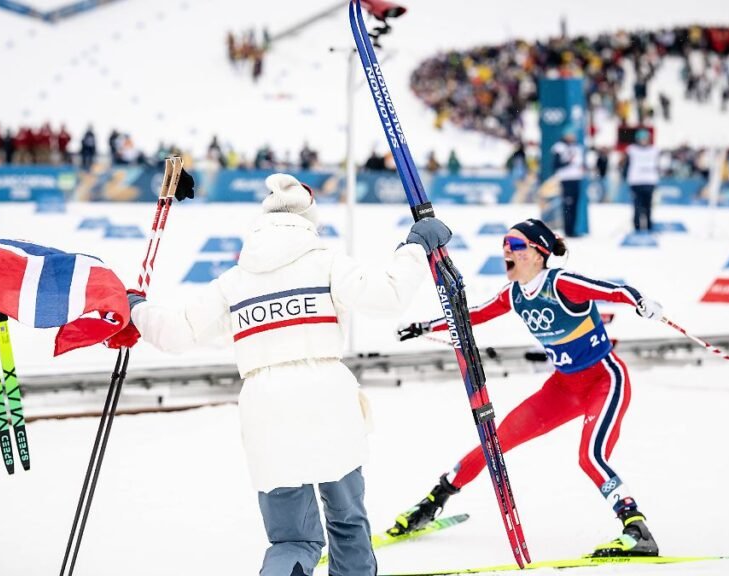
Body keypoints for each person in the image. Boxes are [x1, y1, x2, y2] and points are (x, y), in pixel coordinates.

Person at [125, 173, 451, 576]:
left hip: (265, 408)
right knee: (347, 522)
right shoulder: (326, 262)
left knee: (291, 539)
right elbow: (388, 297)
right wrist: (414, 248)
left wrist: (136, 306)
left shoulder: (234, 281)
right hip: (328, 400)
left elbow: (175, 334)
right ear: (308, 219)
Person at [390, 218, 664, 558]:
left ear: (539, 253)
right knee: (495, 443)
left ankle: (636, 528)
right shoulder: (515, 294)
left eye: (517, 245)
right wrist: (423, 326)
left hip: (603, 380)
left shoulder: (560, 283)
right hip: (562, 388)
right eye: (505, 243)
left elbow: (611, 290)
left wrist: (640, 302)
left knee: (590, 456)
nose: (508, 249)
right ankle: (433, 502)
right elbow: (470, 315)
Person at [550, 131, 585, 237]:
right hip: (566, 180)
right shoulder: (559, 147)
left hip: (576, 179)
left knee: (574, 205)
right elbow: (556, 165)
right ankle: (568, 230)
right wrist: (568, 162)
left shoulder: (577, 147)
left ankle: (573, 229)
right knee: (568, 205)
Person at [625, 129, 660, 232]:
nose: (643, 141)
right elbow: (626, 165)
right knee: (637, 207)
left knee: (648, 207)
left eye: (645, 139)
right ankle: (637, 228)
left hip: (649, 181)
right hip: (636, 182)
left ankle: (648, 227)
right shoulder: (632, 150)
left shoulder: (654, 150)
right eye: (641, 139)